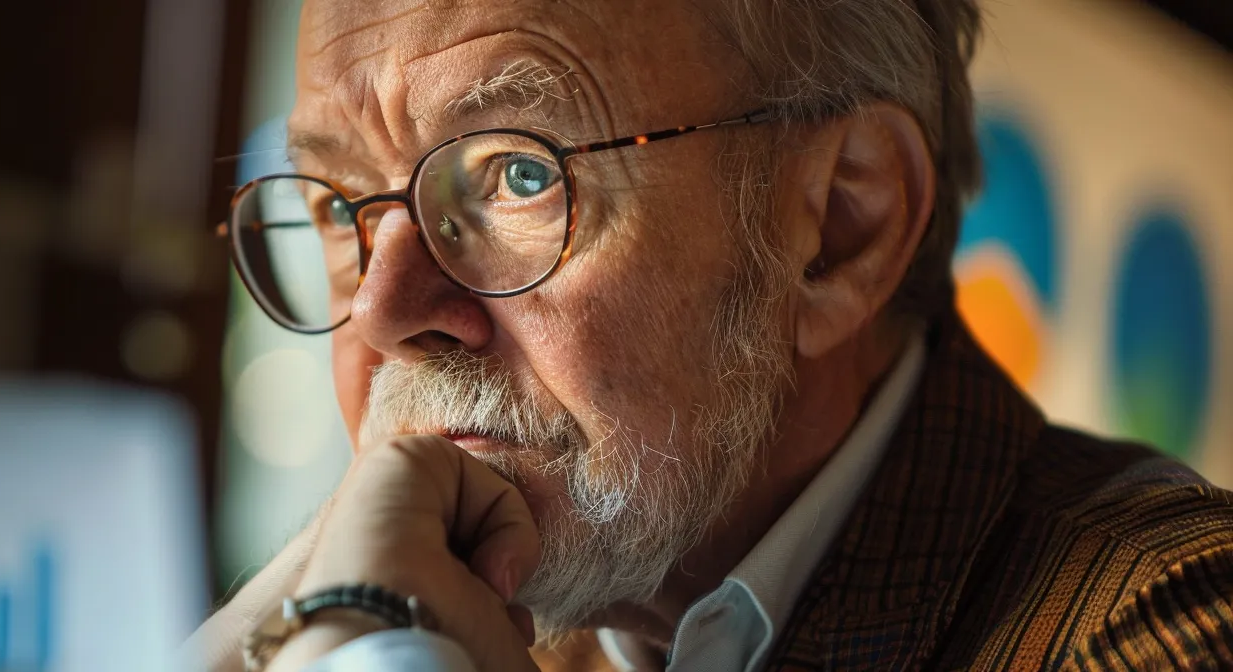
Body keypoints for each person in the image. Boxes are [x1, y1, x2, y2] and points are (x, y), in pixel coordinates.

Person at [189, 0, 1233, 669]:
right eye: (338, 208)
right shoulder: (531, 625)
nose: (380, 309)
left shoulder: (1174, 632)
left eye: (517, 173)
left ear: (835, 230)